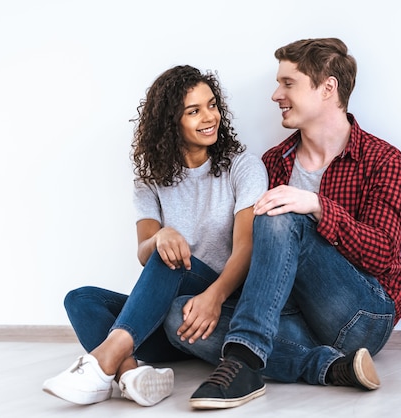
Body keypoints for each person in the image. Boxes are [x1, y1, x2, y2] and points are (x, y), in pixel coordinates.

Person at [164, 38, 401, 409]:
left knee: (282, 213)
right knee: (178, 315)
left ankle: (245, 362)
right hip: (291, 320)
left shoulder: (384, 160)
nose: (276, 95)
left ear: (328, 88)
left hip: (362, 316)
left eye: (288, 83)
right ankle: (327, 366)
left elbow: (382, 255)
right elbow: (263, 266)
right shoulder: (273, 161)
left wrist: (315, 206)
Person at [42, 65, 268, 407]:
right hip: (167, 318)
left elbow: (246, 249)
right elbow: (144, 251)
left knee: (170, 257)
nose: (210, 117)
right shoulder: (150, 182)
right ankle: (133, 376)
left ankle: (102, 364)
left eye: (212, 105)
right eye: (194, 111)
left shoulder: (242, 167)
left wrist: (214, 296)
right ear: (170, 122)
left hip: (220, 304)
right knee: (80, 299)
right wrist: (160, 237)